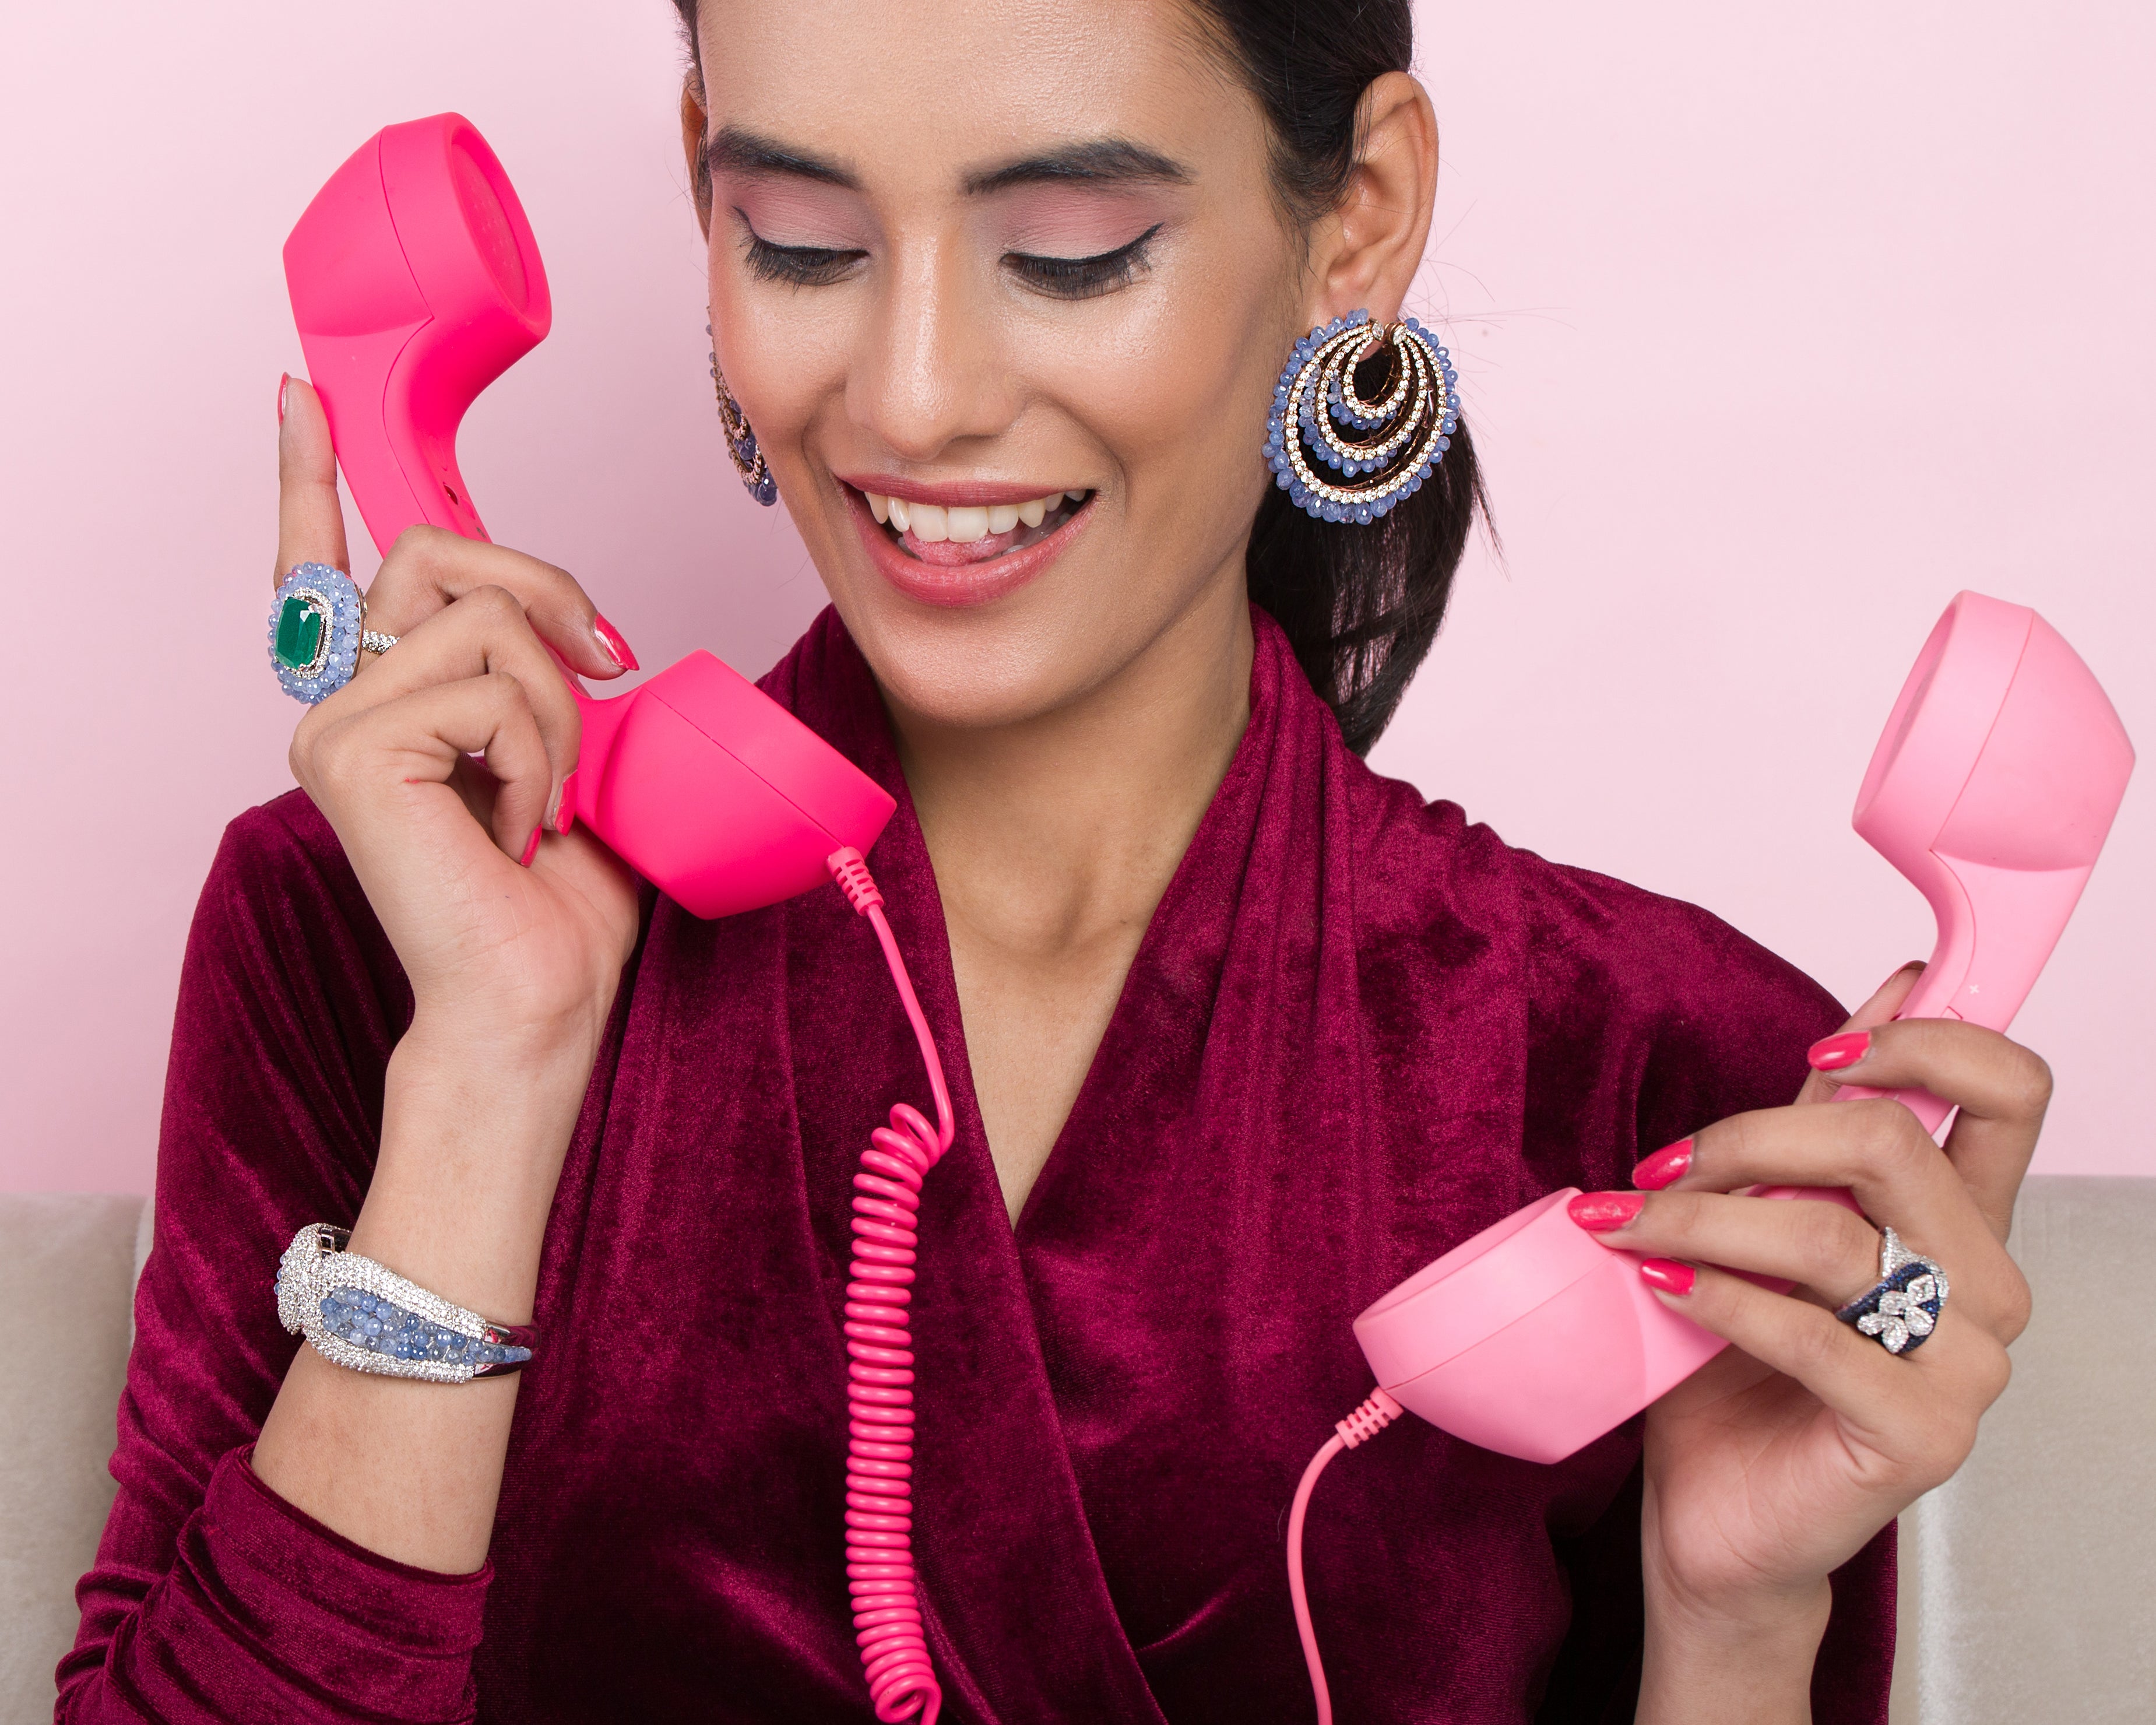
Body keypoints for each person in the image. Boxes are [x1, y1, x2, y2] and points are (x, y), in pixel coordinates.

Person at [61, 2, 2046, 1720]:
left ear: (1356, 219)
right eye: (803, 240)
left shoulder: (1663, 1077)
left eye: (1071, 251)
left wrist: (1732, 1622)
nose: (912, 398)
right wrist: (486, 1093)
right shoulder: (373, 941)